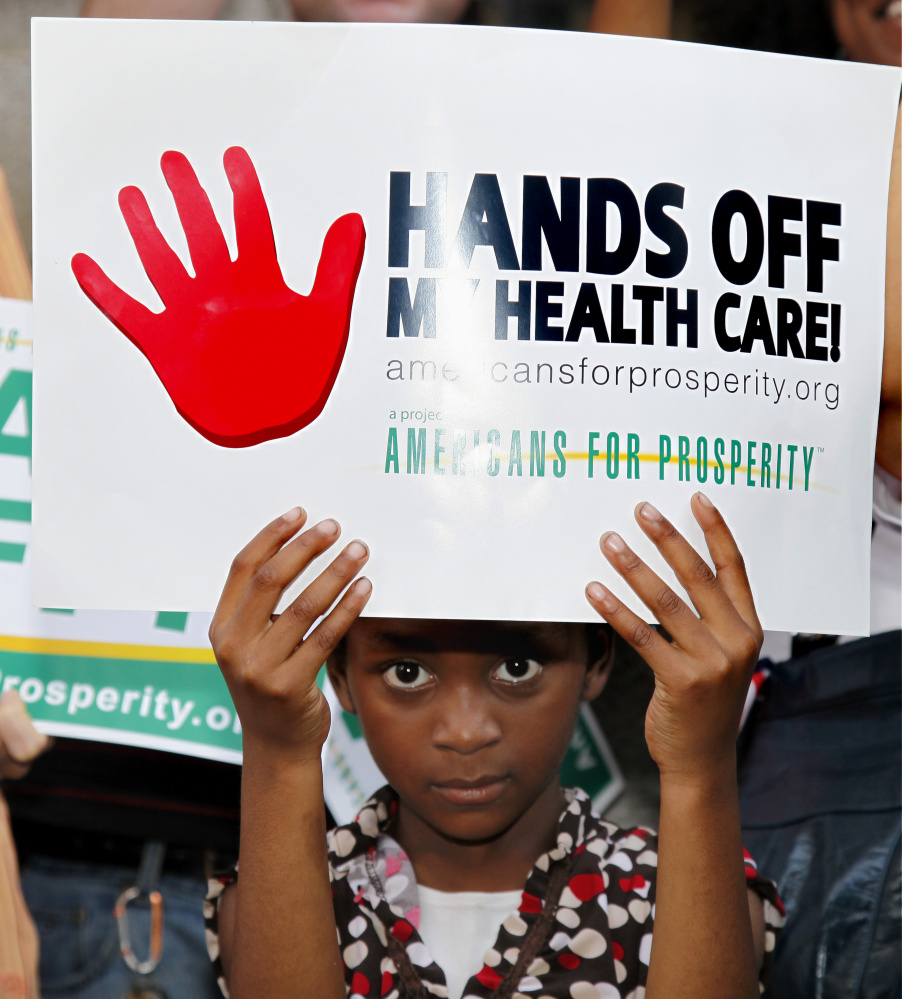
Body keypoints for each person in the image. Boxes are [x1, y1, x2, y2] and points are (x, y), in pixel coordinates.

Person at [204, 495, 784, 999]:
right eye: (407, 672)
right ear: (339, 678)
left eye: (517, 665)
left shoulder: (689, 889)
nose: (465, 731)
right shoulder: (273, 896)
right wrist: (278, 754)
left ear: (597, 660)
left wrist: (699, 766)